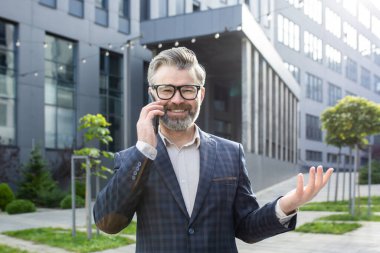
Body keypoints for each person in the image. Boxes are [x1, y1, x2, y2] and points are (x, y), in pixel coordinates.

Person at [93, 47, 334, 253]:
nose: (177, 99)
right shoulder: (133, 159)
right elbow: (108, 223)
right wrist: (144, 149)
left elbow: (246, 228)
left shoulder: (231, 153)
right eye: (166, 89)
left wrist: (287, 204)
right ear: (152, 93)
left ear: (201, 94)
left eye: (187, 89)